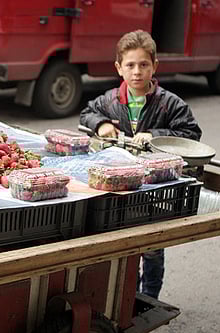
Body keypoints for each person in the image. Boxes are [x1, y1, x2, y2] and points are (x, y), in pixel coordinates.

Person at [80, 30, 202, 299]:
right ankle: (127, 297)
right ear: (118, 68)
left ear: (155, 66)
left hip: (154, 189)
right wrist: (99, 124)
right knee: (123, 245)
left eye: (144, 65)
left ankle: (149, 298)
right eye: (130, 65)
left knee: (152, 248)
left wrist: (156, 135)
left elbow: (192, 134)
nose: (137, 72)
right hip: (120, 188)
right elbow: (87, 113)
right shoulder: (109, 100)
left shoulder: (170, 103)